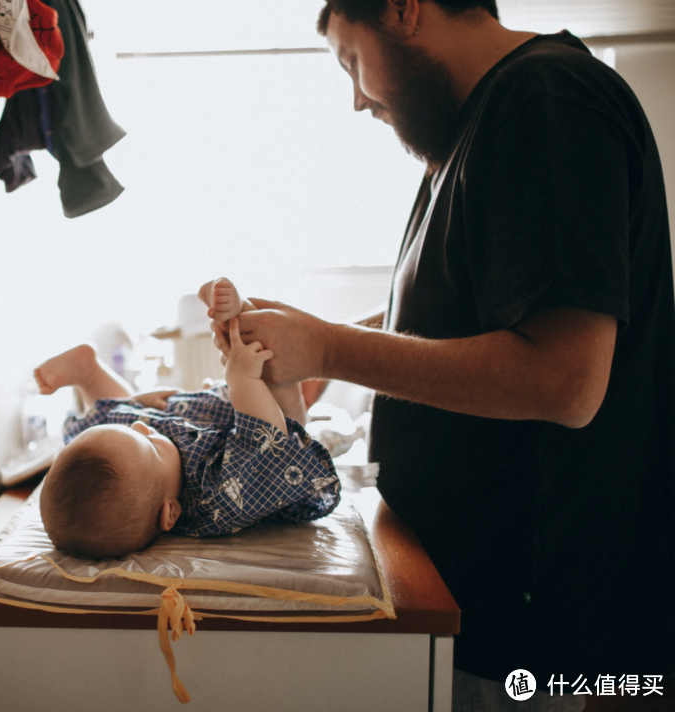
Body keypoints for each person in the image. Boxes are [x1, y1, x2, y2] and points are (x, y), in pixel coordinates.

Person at [215, 1, 674, 709]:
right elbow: (453, 314)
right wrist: (318, 351)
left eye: (350, 61)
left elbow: (565, 380)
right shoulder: (478, 128)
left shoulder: (545, 102)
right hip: (473, 599)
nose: (358, 98)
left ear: (404, 10)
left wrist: (332, 344)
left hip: (526, 627)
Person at [35, 278, 340, 559]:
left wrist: (138, 405)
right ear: (170, 513)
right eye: (148, 443)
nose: (142, 426)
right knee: (287, 405)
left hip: (196, 416)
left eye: (137, 428)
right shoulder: (216, 499)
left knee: (99, 436)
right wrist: (243, 379)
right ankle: (244, 326)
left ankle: (89, 372)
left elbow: (131, 434)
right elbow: (267, 441)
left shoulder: (149, 468)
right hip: (259, 420)